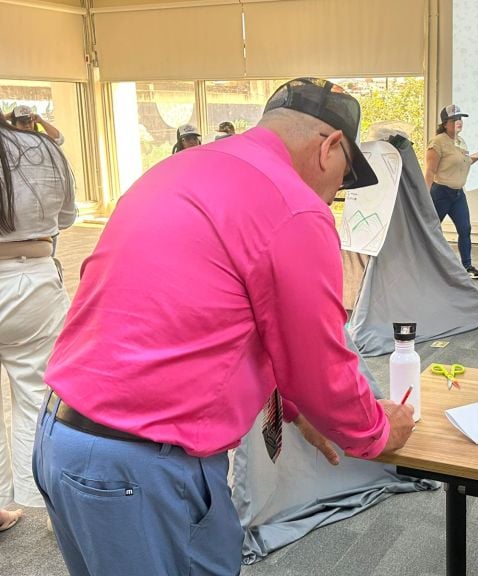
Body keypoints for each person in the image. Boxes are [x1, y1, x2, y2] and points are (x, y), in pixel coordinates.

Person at [32, 77, 415, 576]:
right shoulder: (294, 205)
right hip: (142, 465)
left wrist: (296, 411)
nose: (334, 195)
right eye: (344, 180)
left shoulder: (178, 169)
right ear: (330, 146)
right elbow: (318, 359)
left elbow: (202, 316)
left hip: (71, 440)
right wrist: (377, 433)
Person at [0, 110, 75, 531]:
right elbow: (66, 218)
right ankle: (46, 505)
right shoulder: (45, 148)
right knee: (36, 393)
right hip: (31, 277)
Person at [425, 104, 478, 279]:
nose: (459, 122)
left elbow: (465, 162)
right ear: (445, 123)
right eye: (455, 119)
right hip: (440, 193)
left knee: (465, 229)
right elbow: (430, 171)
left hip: (457, 194)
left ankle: (467, 266)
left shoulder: (460, 141)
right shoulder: (437, 142)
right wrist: (425, 194)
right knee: (431, 230)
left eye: (460, 119)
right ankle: (425, 264)